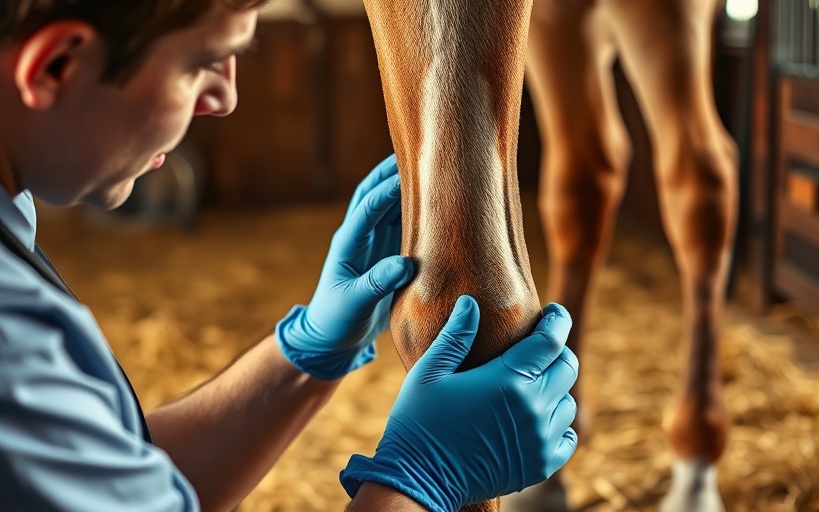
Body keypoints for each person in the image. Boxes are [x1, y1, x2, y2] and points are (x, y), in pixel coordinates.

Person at [0, 1, 580, 511]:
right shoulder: (14, 348)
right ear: (56, 66)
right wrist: (423, 478)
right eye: (202, 62)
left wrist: (305, 353)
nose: (225, 98)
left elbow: (108, 480)